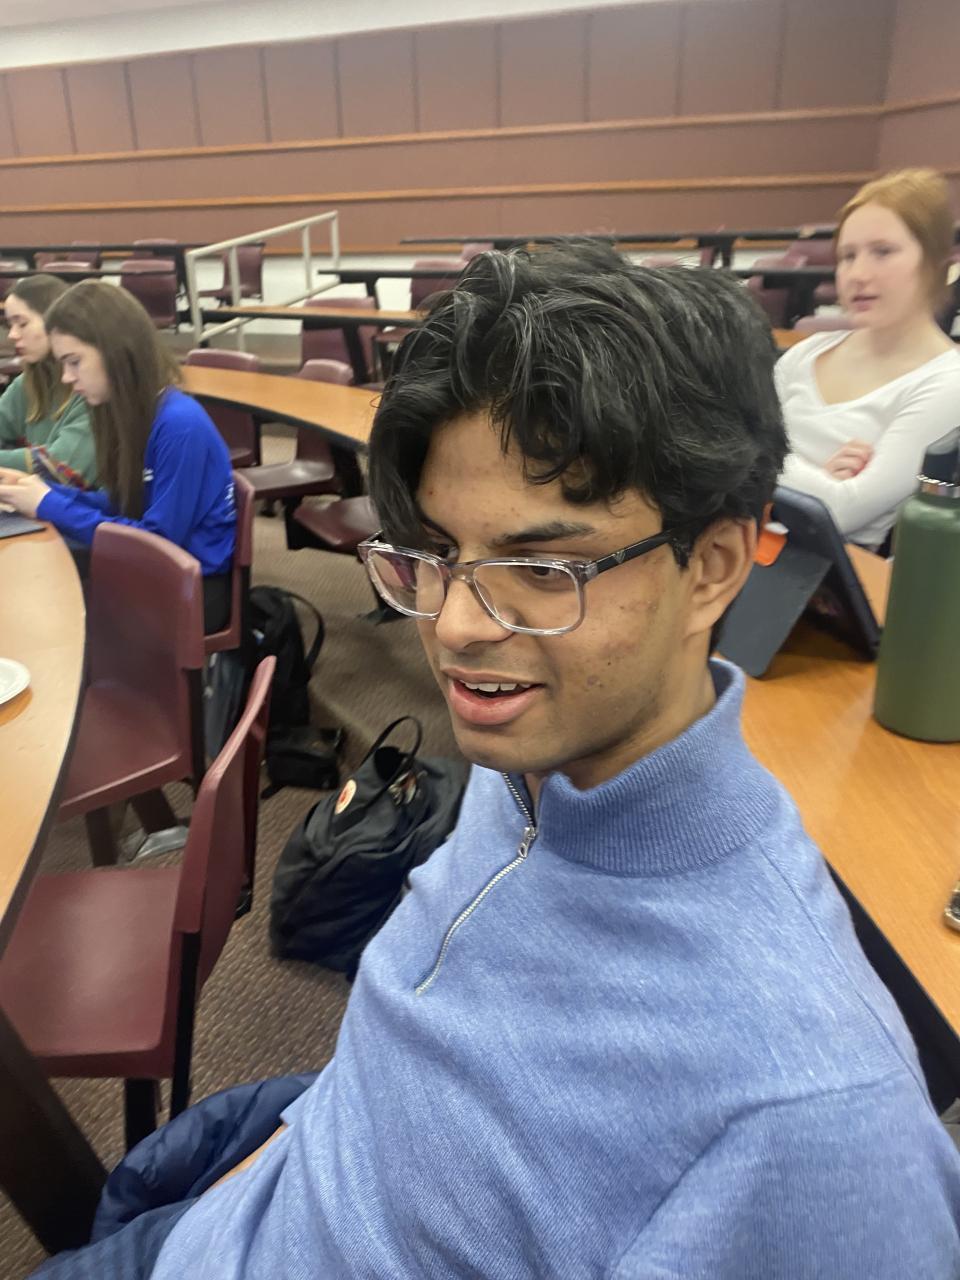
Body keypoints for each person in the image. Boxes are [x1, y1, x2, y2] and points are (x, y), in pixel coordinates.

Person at [32, 246, 960, 1279]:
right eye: (434, 553)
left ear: (713, 567)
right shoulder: (538, 758)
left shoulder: (815, 1122)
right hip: (250, 1191)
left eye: (544, 567)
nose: (459, 629)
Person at [0, 280, 236, 632]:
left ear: (115, 352)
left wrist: (49, 504)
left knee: (42, 599)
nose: (66, 377)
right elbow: (123, 504)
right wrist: (39, 491)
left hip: (193, 590)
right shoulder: (134, 414)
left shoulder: (179, 425)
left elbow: (157, 543)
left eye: (74, 362)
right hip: (159, 573)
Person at [777, 168, 960, 550]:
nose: (858, 274)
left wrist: (776, 468)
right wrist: (817, 482)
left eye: (883, 252)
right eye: (848, 256)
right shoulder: (808, 352)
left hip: (835, 577)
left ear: (937, 262)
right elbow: (731, 448)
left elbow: (841, 512)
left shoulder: (949, 380)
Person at [0, 274, 96, 487]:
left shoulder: (93, 387)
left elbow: (60, 469)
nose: (12, 335)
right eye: (9, 325)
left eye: (22, 323)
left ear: (55, 322)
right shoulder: (27, 383)